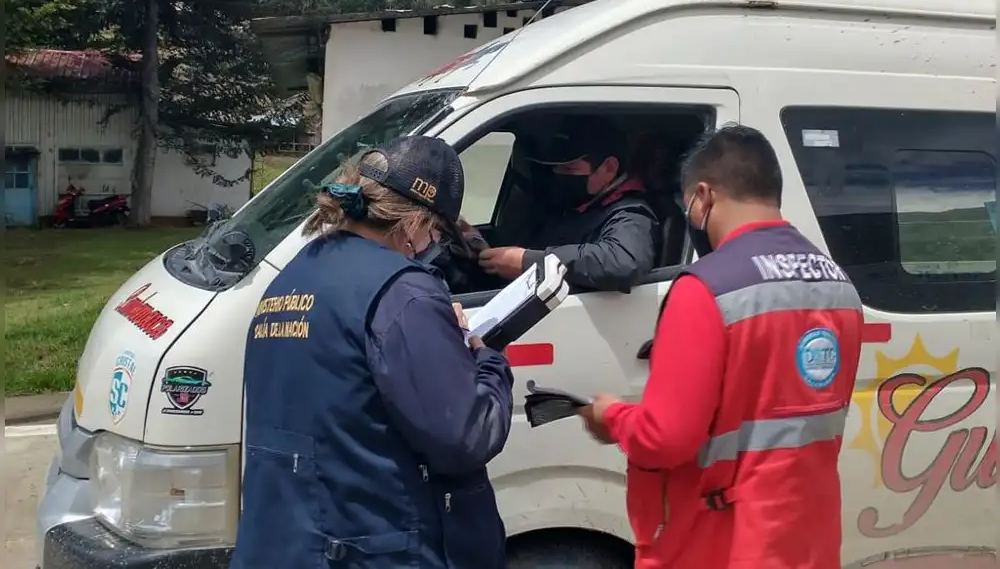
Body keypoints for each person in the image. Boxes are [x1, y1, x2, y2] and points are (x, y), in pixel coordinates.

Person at [577, 124, 865, 568]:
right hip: (808, 537)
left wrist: (610, 416)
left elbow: (664, 439)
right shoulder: (838, 284)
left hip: (723, 542)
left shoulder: (707, 289)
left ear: (704, 196)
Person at [231, 136, 514, 569]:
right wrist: (486, 358)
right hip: (375, 551)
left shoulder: (294, 275)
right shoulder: (405, 294)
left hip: (285, 546)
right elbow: (466, 438)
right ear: (415, 223)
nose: (432, 244)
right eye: (437, 230)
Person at [470, 115, 659, 292]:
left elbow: (623, 263)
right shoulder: (565, 206)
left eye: (569, 168)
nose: (559, 176)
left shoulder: (631, 213)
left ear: (608, 168)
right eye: (556, 168)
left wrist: (530, 262)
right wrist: (477, 242)